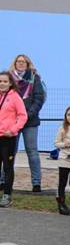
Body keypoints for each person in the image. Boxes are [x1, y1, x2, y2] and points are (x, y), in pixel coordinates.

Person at [9, 55, 45, 192]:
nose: (20, 63)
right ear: (15, 63)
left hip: (30, 121)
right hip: (12, 122)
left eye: (23, 61)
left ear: (28, 64)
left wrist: (27, 115)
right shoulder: (9, 79)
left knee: (32, 152)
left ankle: (36, 183)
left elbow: (38, 98)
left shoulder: (35, 78)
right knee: (9, 152)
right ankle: (4, 181)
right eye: (18, 61)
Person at [0, 72, 28, 207]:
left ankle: (7, 195)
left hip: (8, 138)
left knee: (7, 167)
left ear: (10, 83)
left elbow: (23, 116)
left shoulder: (15, 97)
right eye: (0, 81)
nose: (2, 84)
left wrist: (13, 130)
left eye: (5, 81)